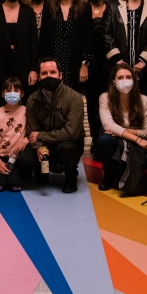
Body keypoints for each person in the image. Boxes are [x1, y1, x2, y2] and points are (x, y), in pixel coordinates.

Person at [17, 58, 85, 193]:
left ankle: (71, 175)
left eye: (52, 72)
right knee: (24, 158)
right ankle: (40, 172)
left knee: (67, 149)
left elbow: (71, 132)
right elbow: (32, 131)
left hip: (67, 143)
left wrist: (41, 136)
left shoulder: (74, 98)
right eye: (44, 73)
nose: (48, 76)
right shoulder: (32, 100)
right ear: (39, 76)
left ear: (60, 75)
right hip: (44, 145)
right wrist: (38, 147)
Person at [95, 62, 147, 194]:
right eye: (120, 78)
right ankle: (109, 174)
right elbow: (108, 125)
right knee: (104, 141)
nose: (125, 81)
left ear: (134, 80)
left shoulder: (144, 100)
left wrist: (123, 131)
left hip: (133, 143)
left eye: (129, 77)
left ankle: (134, 174)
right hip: (118, 142)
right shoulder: (105, 97)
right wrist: (137, 138)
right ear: (113, 82)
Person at [40, 0, 94, 90]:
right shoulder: (49, 6)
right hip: (53, 60)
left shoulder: (84, 8)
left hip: (75, 61)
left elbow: (88, 39)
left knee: (74, 97)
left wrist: (85, 65)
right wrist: (43, 65)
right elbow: (43, 38)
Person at [0, 77, 27, 192]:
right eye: (8, 91)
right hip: (0, 157)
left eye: (16, 91)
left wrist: (25, 141)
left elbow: (32, 132)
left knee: (15, 185)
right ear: (3, 94)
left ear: (22, 94)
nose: (12, 94)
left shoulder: (26, 112)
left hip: (16, 158)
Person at [85, 0, 111, 140]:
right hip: (90, 64)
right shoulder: (83, 11)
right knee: (93, 103)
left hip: (110, 63)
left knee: (110, 101)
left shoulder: (112, 8)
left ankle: (108, 135)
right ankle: (96, 139)